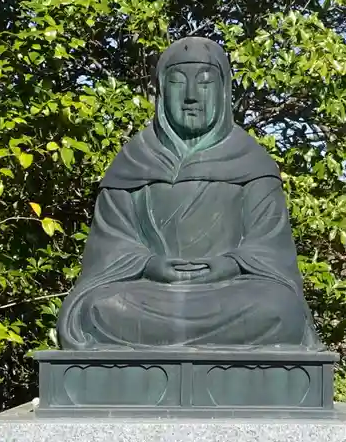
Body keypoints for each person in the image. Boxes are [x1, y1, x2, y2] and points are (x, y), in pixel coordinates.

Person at [55, 36, 323, 351]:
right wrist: (149, 265)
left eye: (205, 83)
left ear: (223, 91)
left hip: (231, 292)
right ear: (161, 91)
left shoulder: (252, 161)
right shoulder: (133, 160)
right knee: (99, 308)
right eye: (178, 83)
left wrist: (232, 264)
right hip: (151, 293)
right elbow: (110, 245)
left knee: (280, 309)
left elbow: (270, 248)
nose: (192, 96)